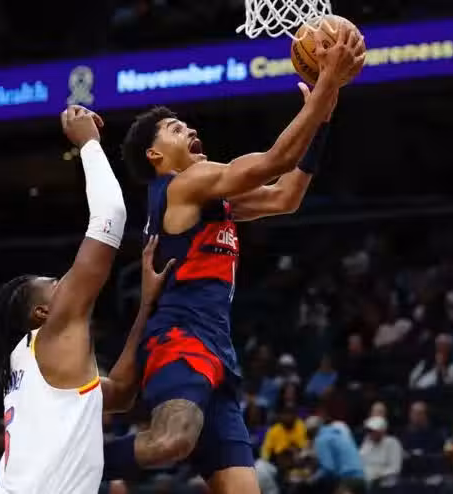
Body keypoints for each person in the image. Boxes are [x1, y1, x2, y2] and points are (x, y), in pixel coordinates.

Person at [106, 23, 366, 494]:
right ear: (155, 155)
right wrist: (327, 83)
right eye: (175, 129)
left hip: (218, 353)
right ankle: (64, 458)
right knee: (171, 442)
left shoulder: (208, 198)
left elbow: (285, 196)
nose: (191, 129)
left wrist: (323, 114)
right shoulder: (182, 186)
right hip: (179, 340)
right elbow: (272, 162)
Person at [0, 106, 172, 494]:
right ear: (42, 312)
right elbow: (110, 216)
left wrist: (146, 305)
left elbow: (120, 393)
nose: (68, 284)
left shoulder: (35, 369)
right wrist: (88, 143)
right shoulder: (51, 334)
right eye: (56, 284)